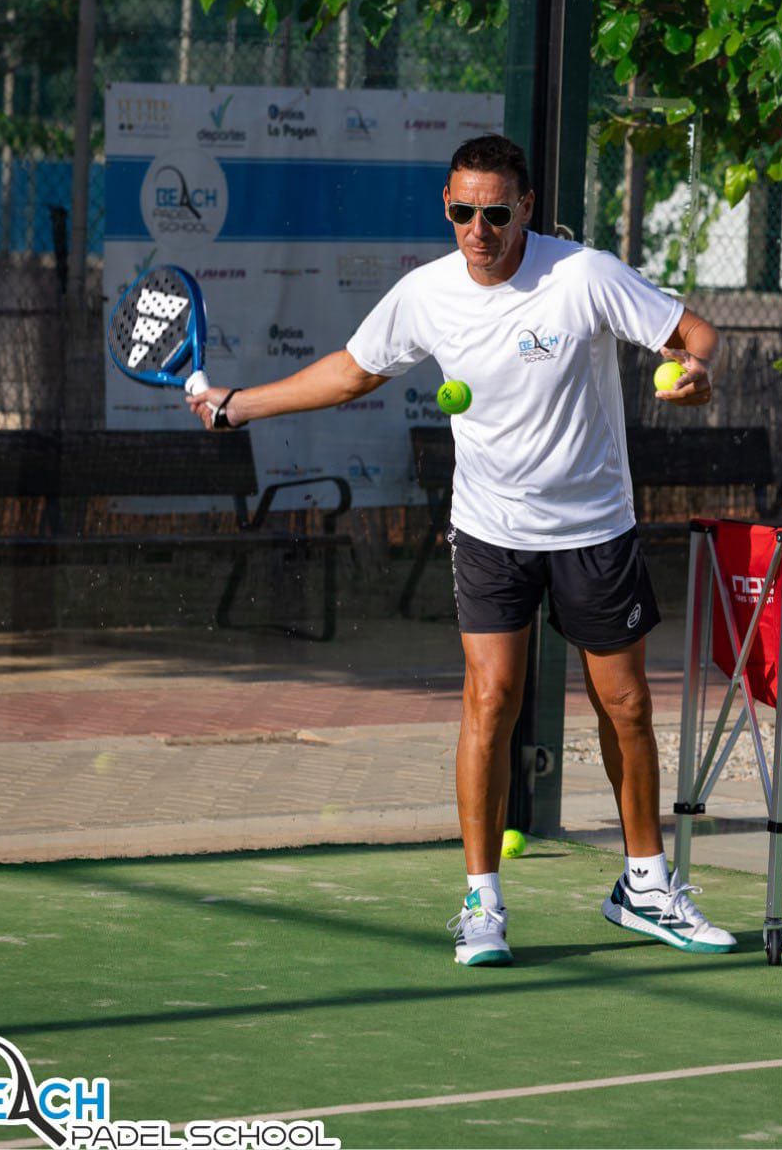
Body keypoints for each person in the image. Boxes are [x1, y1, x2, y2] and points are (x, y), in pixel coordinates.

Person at [189, 133, 736, 966]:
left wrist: (693, 372)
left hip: (593, 526)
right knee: (492, 700)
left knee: (625, 707)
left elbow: (695, 334)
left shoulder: (581, 276)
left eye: (493, 212)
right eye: (460, 211)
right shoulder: (426, 294)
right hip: (489, 531)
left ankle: (646, 885)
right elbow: (350, 372)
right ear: (444, 204)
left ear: (522, 208)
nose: (476, 229)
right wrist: (240, 406)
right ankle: (482, 902)